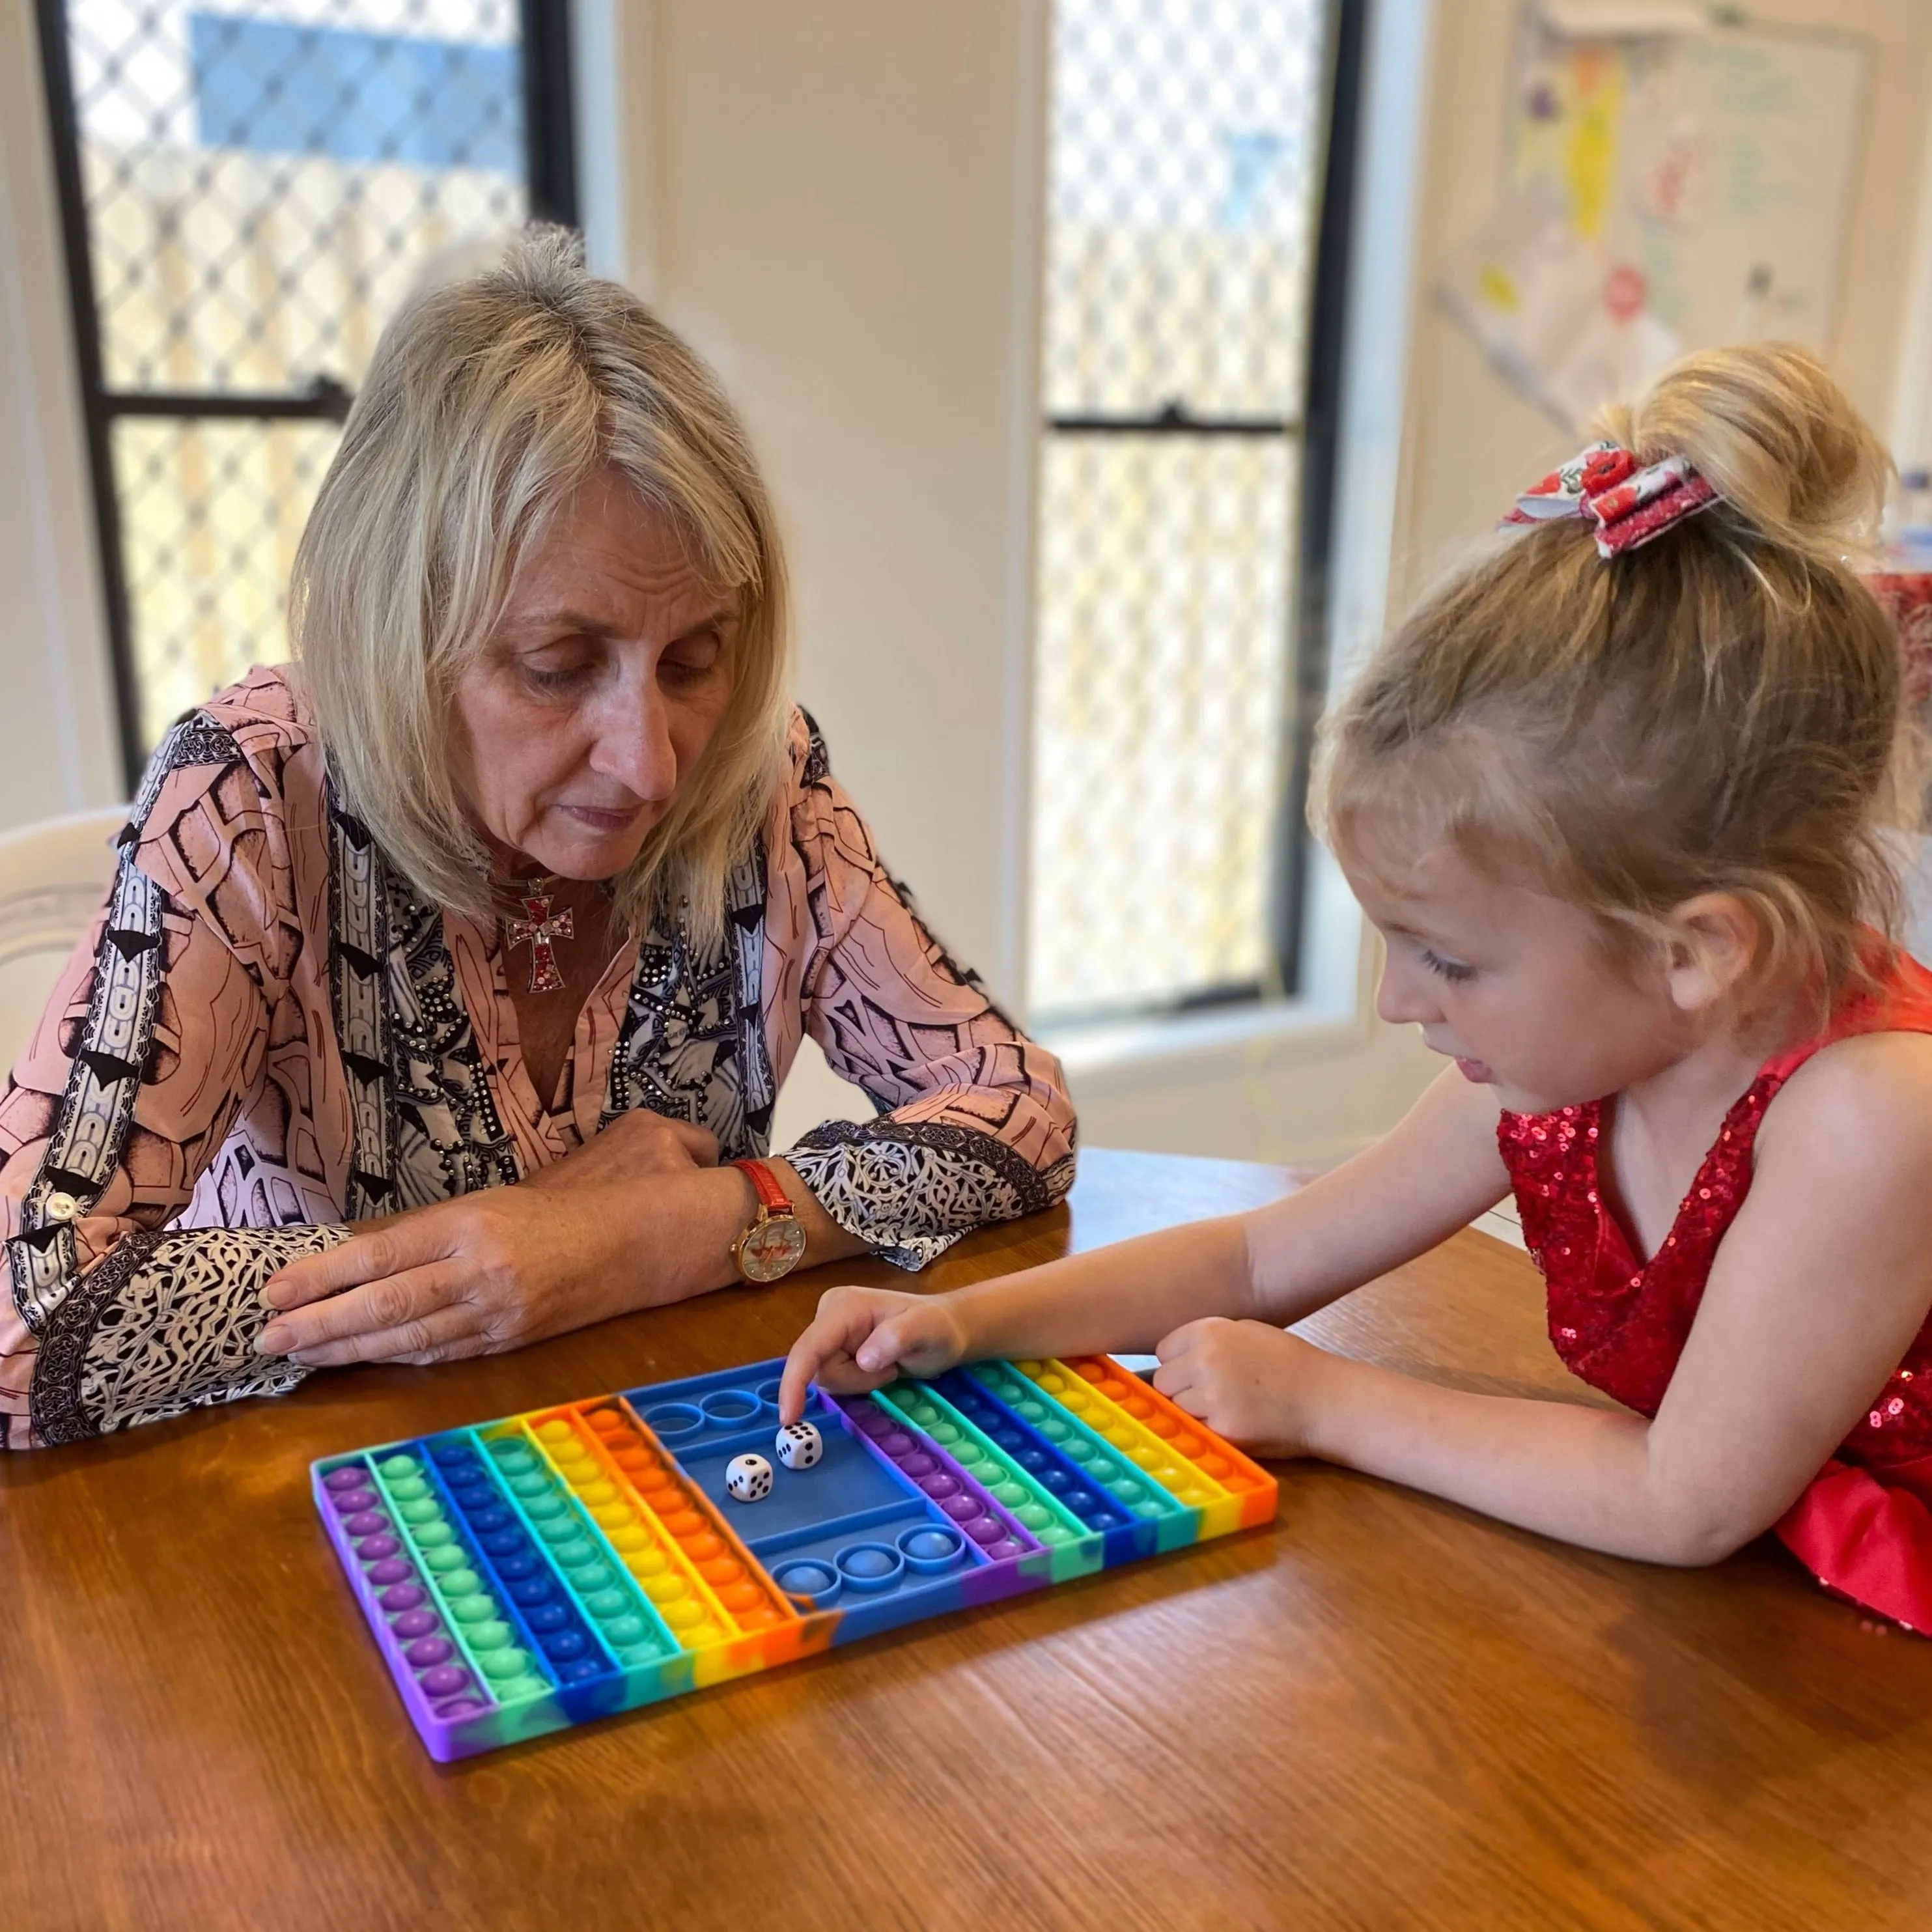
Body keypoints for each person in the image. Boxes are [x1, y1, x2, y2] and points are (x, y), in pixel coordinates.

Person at [782, 343, 1932, 1633]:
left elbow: (1685, 1500)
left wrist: (1325, 1401)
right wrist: (963, 1324)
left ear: (1696, 950)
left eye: (1451, 957)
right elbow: (1266, 1249)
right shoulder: (1577, 1061)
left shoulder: (1869, 1115)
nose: (1400, 1001)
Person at [0, 227, 1075, 1450]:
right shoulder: (249, 796)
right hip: (312, 1517)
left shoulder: (758, 777)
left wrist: (677, 1228)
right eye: (559, 668)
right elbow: (21, 1319)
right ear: (398, 633)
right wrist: (519, 1232)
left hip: (667, 1460)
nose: (650, 761)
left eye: (694, 660)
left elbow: (1020, 1113)